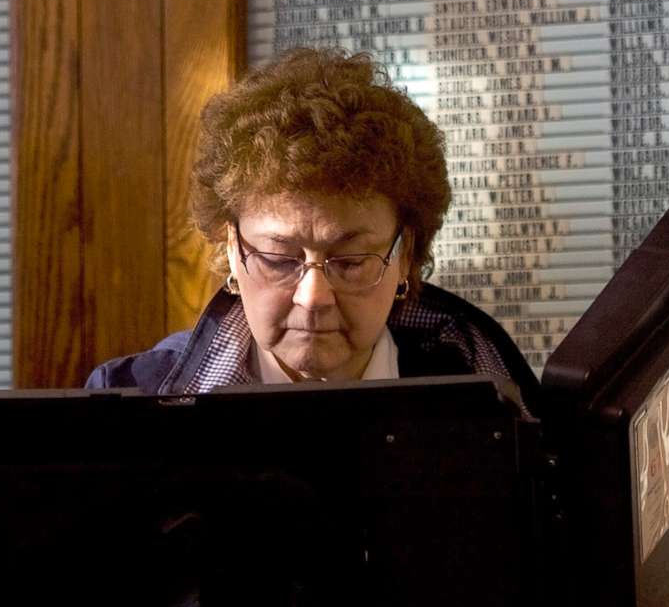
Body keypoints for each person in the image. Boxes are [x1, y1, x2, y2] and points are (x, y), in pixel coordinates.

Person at [88, 47, 534, 406]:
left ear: (405, 255)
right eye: (279, 259)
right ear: (230, 248)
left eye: (352, 261)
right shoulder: (127, 405)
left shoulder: (499, 400)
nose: (313, 297)